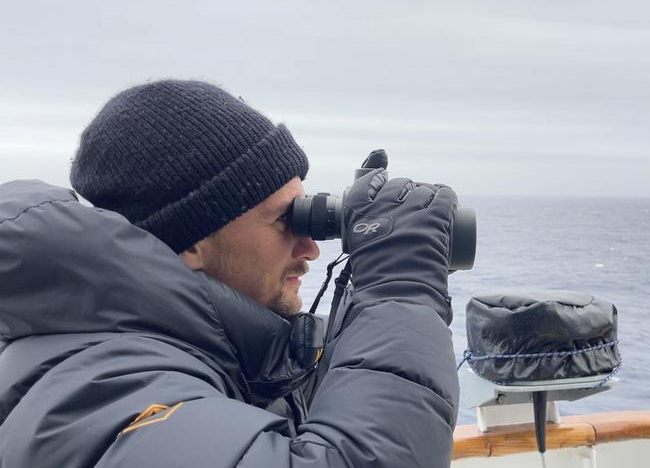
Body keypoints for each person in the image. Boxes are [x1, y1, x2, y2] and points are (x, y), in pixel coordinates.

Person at [0, 80, 460, 467]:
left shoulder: (198, 351)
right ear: (191, 242)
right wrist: (401, 294)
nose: (311, 248)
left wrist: (369, 303)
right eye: (285, 221)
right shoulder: (100, 389)